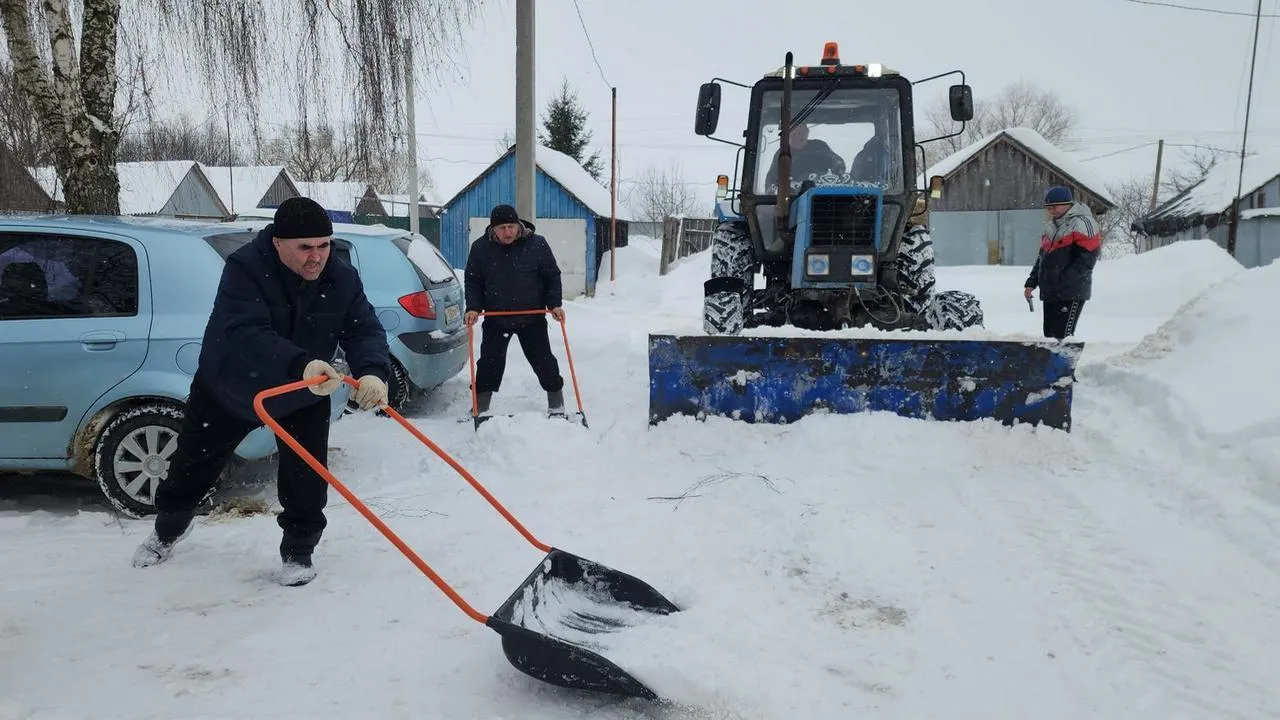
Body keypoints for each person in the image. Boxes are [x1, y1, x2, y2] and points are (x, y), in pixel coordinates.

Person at [131, 196, 391, 587]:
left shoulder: (341, 277)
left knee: (306, 474)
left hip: (304, 389)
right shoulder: (245, 269)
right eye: (305, 247)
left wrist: (373, 371)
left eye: (323, 245)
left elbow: (363, 327)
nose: (316, 257)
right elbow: (245, 333)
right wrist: (298, 363)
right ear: (278, 243)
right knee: (192, 466)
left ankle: (298, 552)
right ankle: (168, 529)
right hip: (232, 387)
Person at [463, 203, 565, 416]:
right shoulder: (481, 248)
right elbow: (473, 281)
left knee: (544, 361)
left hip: (532, 318)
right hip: (496, 318)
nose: (507, 232)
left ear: (519, 225)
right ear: (493, 229)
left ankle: (556, 403)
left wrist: (554, 304)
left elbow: (551, 276)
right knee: (488, 364)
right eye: (502, 228)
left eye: (511, 226)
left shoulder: (537, 244)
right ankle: (480, 408)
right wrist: (473, 307)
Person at [1024, 186, 1102, 339]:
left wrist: (1063, 280)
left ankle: (1065, 363)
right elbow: (1042, 258)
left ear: (1068, 204)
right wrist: (1032, 282)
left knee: (1062, 337)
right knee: (1049, 336)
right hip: (1050, 291)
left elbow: (1086, 260)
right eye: (1049, 207)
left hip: (1070, 291)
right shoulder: (1050, 227)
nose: (1051, 210)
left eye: (1055, 206)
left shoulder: (1083, 223)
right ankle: (1051, 363)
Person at [764, 122, 846, 189]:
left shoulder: (819, 146)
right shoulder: (783, 154)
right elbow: (772, 183)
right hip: (794, 197)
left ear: (807, 132)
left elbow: (838, 163)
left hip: (822, 191)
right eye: (794, 134)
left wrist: (837, 169)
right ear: (786, 136)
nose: (798, 137)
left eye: (800, 133)